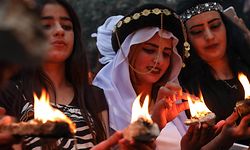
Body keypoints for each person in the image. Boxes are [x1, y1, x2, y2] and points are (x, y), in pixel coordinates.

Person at [93, 4, 190, 149]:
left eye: (166, 54)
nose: (158, 60)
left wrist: (224, 136)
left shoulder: (170, 103)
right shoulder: (102, 99)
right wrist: (155, 125)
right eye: (149, 50)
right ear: (128, 52)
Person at [177, 0, 250, 145]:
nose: (209, 36)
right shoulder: (185, 90)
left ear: (226, 27)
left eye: (215, 26)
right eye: (197, 32)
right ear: (186, 40)